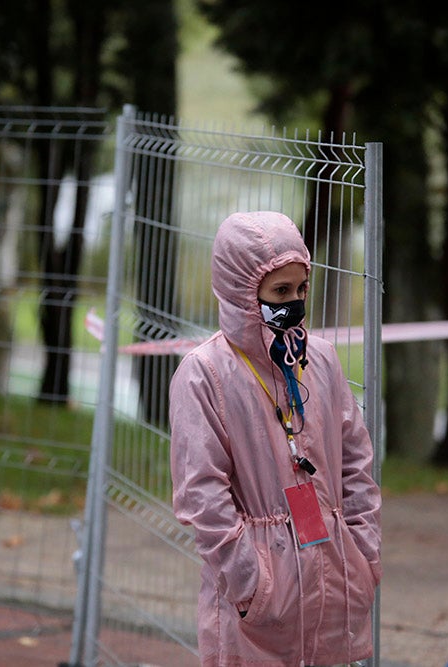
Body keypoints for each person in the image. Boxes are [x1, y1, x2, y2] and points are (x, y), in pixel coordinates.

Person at [169, 211, 382, 666]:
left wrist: (363, 554)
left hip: (333, 577)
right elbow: (202, 494)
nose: (295, 302)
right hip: (260, 599)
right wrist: (251, 583)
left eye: (301, 289)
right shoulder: (205, 374)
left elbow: (356, 462)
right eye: (280, 292)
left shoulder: (320, 360)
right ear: (242, 292)